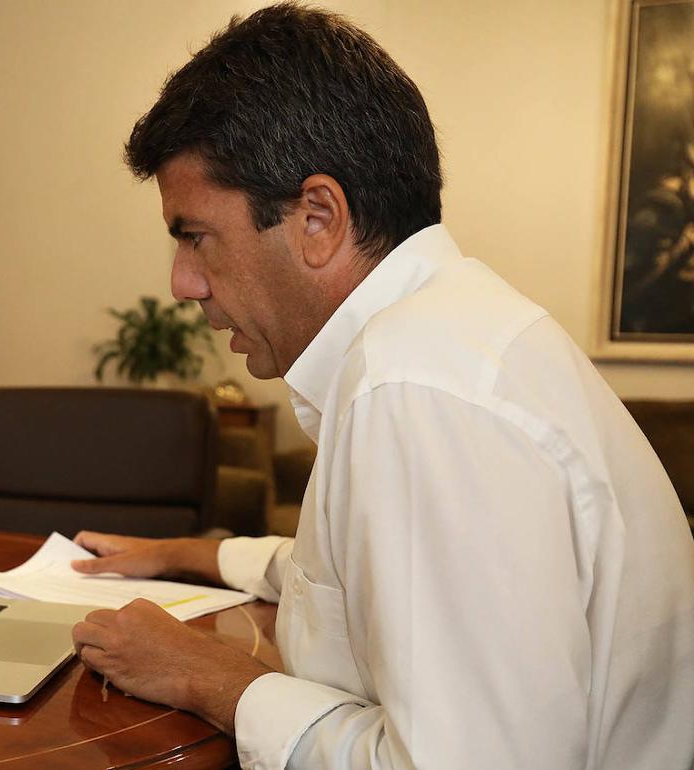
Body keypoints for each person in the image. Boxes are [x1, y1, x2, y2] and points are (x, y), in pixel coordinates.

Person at [68, 5, 694, 769]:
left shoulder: (418, 389)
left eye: (195, 235)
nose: (182, 283)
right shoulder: (442, 335)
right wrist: (189, 554)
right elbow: (353, 577)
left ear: (318, 218)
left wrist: (211, 678)